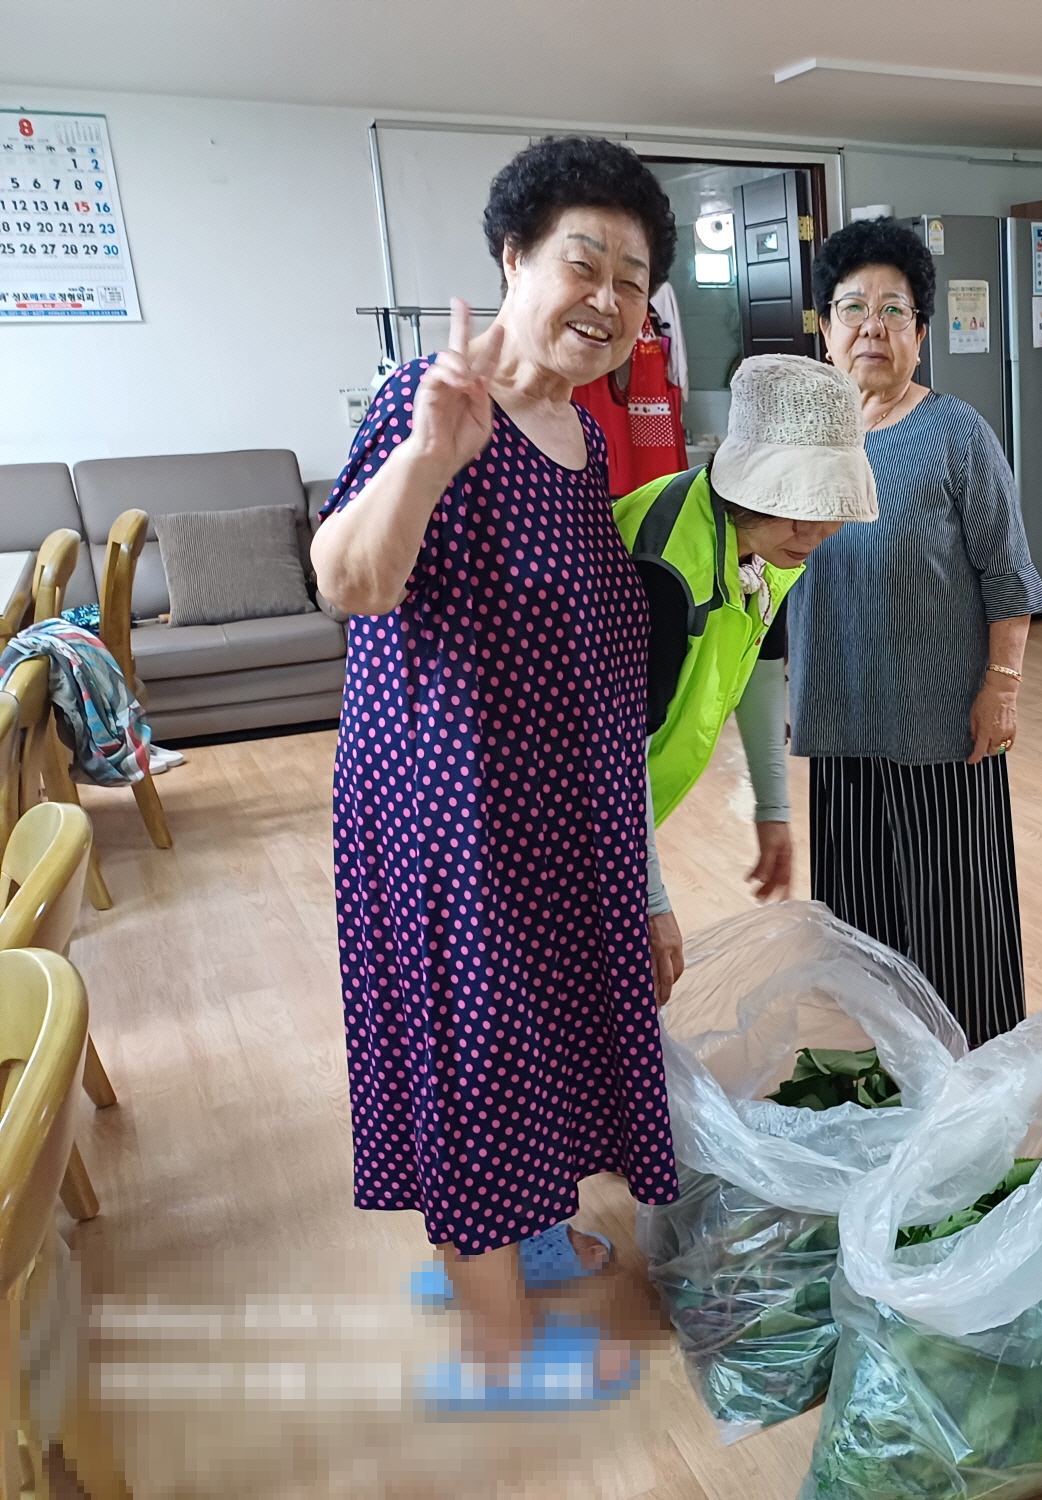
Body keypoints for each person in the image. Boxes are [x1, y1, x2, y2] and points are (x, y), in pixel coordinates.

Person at [311, 135, 680, 1411]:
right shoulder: (431, 400)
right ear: (512, 257)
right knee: (471, 1057)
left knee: (536, 1037)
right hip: (446, 820)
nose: (608, 299)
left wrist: (641, 878)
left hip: (554, 818)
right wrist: (425, 456)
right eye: (584, 261)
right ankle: (496, 1349)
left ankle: (509, 1238)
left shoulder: (581, 442)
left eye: (634, 283)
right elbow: (351, 583)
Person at [787, 218, 1042, 1046]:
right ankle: (885, 1074)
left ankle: (977, 1087)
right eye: (853, 307)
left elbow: (1007, 574)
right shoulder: (799, 439)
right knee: (858, 928)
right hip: (840, 724)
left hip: (944, 725)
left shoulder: (955, 433)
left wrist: (1001, 690)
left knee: (956, 926)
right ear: (825, 330)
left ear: (922, 334)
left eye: (894, 309)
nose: (873, 325)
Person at [618, 352, 877, 961]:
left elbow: (762, 663)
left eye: (828, 508)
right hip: (575, 813)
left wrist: (773, 808)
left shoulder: (767, 547)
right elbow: (615, 754)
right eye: (799, 505)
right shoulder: (662, 572)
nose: (816, 533)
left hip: (628, 819)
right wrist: (651, 901)